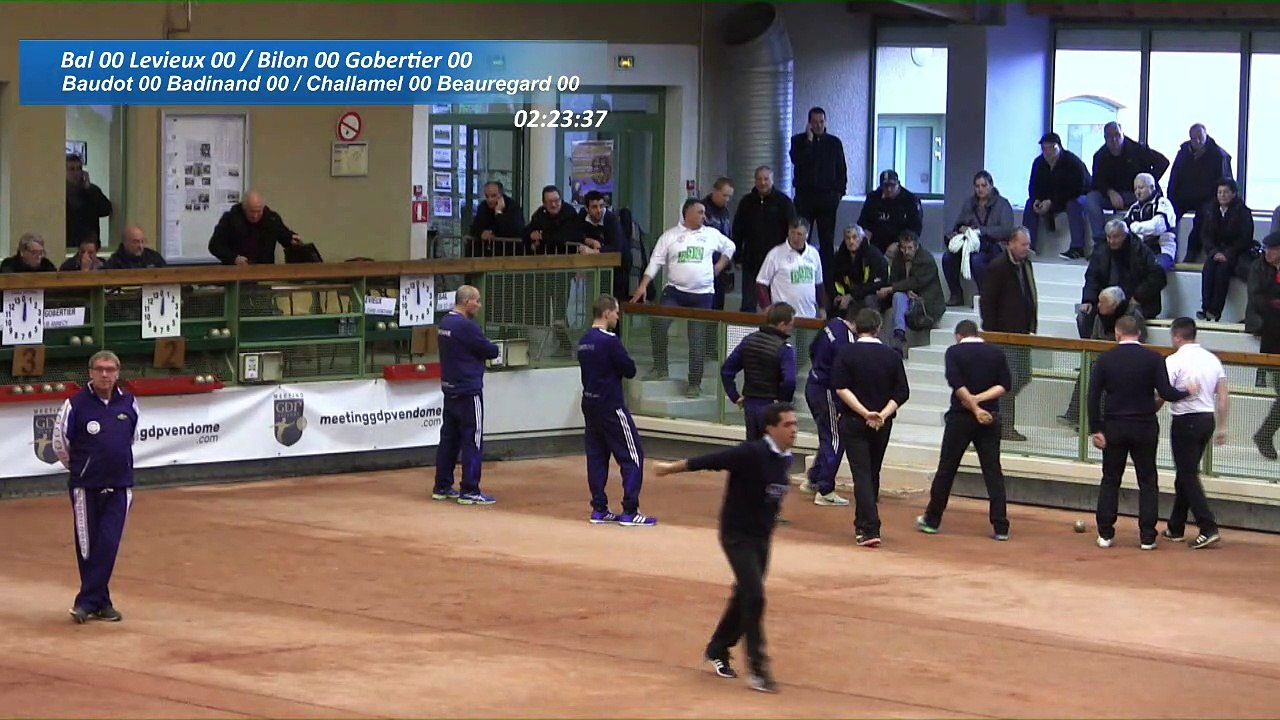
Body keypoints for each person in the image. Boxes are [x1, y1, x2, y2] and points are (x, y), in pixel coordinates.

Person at [653, 402, 799, 694]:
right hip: (737, 536)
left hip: (761, 538)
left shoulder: (784, 459)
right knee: (755, 596)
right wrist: (670, 469)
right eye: (787, 425)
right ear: (770, 428)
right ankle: (758, 669)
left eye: (795, 424)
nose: (794, 430)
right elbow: (710, 460)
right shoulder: (751, 452)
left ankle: (718, 648)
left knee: (744, 594)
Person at [1088, 314, 1193, 550]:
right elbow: (1166, 392)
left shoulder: (1106, 359)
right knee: (1147, 480)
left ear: (1117, 332)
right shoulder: (1153, 359)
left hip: (1114, 426)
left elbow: (1093, 397)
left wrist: (1096, 428)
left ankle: (1105, 533)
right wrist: (1187, 391)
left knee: (1110, 479)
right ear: (1140, 333)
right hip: (1144, 426)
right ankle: (1147, 536)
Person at [51, 350, 138, 623]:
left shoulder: (129, 403)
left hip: (120, 485)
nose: (105, 374)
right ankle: (100, 602)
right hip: (85, 487)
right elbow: (60, 444)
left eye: (110, 369)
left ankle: (88, 601)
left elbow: (131, 438)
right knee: (88, 547)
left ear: (118, 373)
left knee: (109, 544)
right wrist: (80, 468)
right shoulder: (75, 405)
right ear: (90, 372)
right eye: (100, 369)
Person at [915, 320, 1011, 540]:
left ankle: (932, 519)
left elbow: (957, 384)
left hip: (961, 417)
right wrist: (980, 404)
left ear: (958, 336)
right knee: (993, 471)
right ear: (977, 333)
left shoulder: (954, 352)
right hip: (990, 417)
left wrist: (973, 405)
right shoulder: (996, 352)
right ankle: (1001, 526)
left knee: (947, 468)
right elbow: (1004, 385)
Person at [631, 199, 736, 398]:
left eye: (704, 212)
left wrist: (719, 267)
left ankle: (694, 383)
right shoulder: (670, 236)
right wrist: (643, 285)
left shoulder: (711, 234)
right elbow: (655, 262)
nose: (703, 216)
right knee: (659, 325)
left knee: (697, 340)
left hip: (703, 294)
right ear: (687, 213)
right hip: (675, 292)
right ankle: (661, 367)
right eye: (699, 212)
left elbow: (730, 247)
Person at [830, 308, 910, 547]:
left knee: (862, 473)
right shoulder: (892, 356)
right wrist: (881, 415)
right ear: (878, 327)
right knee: (872, 471)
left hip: (854, 420)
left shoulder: (846, 353)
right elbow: (902, 392)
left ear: (855, 327)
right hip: (881, 424)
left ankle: (869, 527)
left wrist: (864, 412)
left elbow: (840, 387)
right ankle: (864, 524)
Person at [577, 295, 655, 527]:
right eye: (616, 312)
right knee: (633, 455)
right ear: (607, 312)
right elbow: (629, 369)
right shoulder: (610, 341)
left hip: (589, 402)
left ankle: (599, 509)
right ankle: (630, 510)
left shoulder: (583, 341)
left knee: (596, 456)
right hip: (611, 403)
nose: (618, 317)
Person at [433, 285, 501, 505]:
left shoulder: (445, 323)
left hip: (449, 389)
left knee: (448, 440)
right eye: (477, 301)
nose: (479, 305)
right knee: (473, 439)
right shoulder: (466, 326)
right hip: (468, 390)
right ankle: (470, 489)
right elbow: (491, 350)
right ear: (467, 301)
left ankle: (442, 486)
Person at [1162, 317, 1225, 549]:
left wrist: (1150, 410)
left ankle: (1207, 526)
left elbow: (1163, 392)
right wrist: (1223, 425)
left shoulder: (1174, 360)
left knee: (1187, 474)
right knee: (1186, 472)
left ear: (1177, 336)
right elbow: (1223, 394)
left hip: (1185, 420)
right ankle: (1175, 526)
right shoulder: (1212, 359)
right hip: (1206, 420)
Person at [978, 227, 1037, 442]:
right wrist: (993, 334)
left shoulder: (1026, 264)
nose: (1026, 248)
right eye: (1023, 244)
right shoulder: (998, 267)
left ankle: (992, 410)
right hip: (1004, 336)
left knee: (1023, 377)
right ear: (1011, 243)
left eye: (1028, 244)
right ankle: (1004, 426)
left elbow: (1030, 295)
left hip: (1023, 334)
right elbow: (987, 301)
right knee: (1009, 380)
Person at [1085, 122, 1170, 257]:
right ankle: (1100, 243)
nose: (1114, 140)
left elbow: (1163, 161)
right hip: (1112, 194)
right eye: (1110, 137)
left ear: (1122, 134)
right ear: (1105, 138)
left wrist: (1147, 182)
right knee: (1090, 199)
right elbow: (1097, 182)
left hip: (1135, 194)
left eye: (1117, 135)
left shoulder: (1137, 149)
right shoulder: (1100, 155)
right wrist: (1110, 192)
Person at [798, 306, 854, 507]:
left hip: (814, 383)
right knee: (836, 437)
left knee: (828, 435)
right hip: (826, 391)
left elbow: (812, 349)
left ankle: (814, 478)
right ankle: (825, 489)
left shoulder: (831, 324)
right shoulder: (845, 341)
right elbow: (843, 371)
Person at [790, 106, 847, 296]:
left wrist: (838, 194)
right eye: (814, 122)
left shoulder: (834, 143)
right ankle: (800, 278)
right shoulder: (798, 141)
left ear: (825, 122)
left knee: (827, 242)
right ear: (809, 123)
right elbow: (799, 161)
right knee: (801, 237)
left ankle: (827, 287)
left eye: (821, 122)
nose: (818, 125)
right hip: (805, 198)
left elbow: (841, 171)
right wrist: (809, 141)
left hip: (827, 200)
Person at [721, 303, 797, 441]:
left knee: (753, 449)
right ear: (782, 324)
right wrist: (783, 403)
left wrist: (735, 396)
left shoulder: (748, 340)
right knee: (772, 449)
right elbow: (789, 381)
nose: (791, 328)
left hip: (750, 402)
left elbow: (726, 370)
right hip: (772, 405)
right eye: (790, 324)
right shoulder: (785, 349)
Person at [942, 170, 1014, 307]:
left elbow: (1006, 230)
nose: (980, 189)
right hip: (971, 244)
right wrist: (961, 229)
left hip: (994, 246)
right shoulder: (969, 203)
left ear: (991, 186)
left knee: (976, 260)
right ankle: (956, 294)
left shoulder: (1003, 204)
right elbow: (959, 223)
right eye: (977, 186)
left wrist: (981, 231)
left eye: (983, 185)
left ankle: (984, 296)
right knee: (948, 258)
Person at [732, 166, 796, 313]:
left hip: (777, 262)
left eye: (766, 179)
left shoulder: (784, 202)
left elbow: (793, 230)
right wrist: (738, 257)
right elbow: (737, 231)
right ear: (754, 181)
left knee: (776, 306)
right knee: (748, 305)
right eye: (759, 179)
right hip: (751, 262)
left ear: (772, 180)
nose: (763, 182)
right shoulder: (746, 202)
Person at [1167, 124, 1234, 263]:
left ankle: (1191, 254)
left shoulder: (1218, 155)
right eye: (1193, 138)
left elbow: (1224, 182)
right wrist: (1169, 201)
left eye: (1200, 138)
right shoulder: (1183, 153)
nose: (1197, 141)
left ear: (1206, 136)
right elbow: (1174, 177)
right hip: (1184, 197)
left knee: (1201, 220)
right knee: (1167, 217)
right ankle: (1166, 252)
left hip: (1208, 198)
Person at [876, 230, 945, 356]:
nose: (906, 252)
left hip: (927, 302)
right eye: (903, 248)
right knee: (897, 297)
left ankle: (898, 336)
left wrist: (893, 289)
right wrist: (905, 290)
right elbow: (894, 280)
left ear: (916, 246)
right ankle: (899, 335)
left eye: (910, 248)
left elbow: (918, 282)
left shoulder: (926, 259)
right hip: (908, 297)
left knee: (896, 295)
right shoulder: (899, 258)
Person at [1022, 132, 1090, 258]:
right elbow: (1033, 185)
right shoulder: (1039, 163)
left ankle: (1077, 247)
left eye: (1051, 148)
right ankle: (1027, 245)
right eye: (1044, 149)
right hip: (1050, 199)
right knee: (1029, 204)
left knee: (1074, 204)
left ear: (1058, 147)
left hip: (1075, 196)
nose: (1047, 152)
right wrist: (1036, 199)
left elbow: (1076, 189)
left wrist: (1052, 202)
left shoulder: (1073, 162)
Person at [1197, 179, 1254, 322]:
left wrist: (1228, 253)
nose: (1222, 195)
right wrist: (1214, 252)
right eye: (1219, 192)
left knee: (1223, 271)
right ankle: (1205, 308)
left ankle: (1215, 311)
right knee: (1208, 268)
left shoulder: (1243, 212)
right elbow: (1205, 235)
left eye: (1226, 192)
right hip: (1216, 251)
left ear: (1233, 194)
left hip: (1235, 252)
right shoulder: (1210, 210)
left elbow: (1245, 238)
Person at [1248, 232, 1280, 460]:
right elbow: (1256, 298)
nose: (1267, 253)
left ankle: (1264, 434)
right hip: (1271, 333)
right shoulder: (1258, 267)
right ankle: (1264, 435)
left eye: (1272, 249)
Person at [208, 190, 302, 265]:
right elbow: (215, 246)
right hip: (236, 274)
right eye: (252, 212)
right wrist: (234, 258)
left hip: (263, 273)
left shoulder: (271, 219)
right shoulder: (230, 219)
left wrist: (292, 239)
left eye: (259, 211)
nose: (255, 216)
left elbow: (284, 235)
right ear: (244, 208)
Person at [755, 218, 825, 319]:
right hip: (783, 319)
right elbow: (761, 283)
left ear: (807, 235)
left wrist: (822, 308)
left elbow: (819, 284)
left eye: (799, 234)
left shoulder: (814, 254)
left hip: (809, 316)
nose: (795, 238)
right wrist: (766, 308)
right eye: (792, 233)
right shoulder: (775, 254)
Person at [857, 169, 923, 256]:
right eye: (885, 186)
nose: (889, 189)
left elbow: (915, 228)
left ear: (898, 184)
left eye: (892, 185)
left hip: (900, 242)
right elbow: (862, 221)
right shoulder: (873, 198)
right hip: (875, 241)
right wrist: (864, 232)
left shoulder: (910, 200)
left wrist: (899, 243)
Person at [827, 225, 887, 318]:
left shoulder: (873, 254)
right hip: (849, 294)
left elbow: (877, 283)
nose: (851, 241)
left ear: (861, 238)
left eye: (854, 237)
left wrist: (852, 296)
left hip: (872, 294)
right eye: (848, 238)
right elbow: (834, 278)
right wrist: (836, 295)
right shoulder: (840, 256)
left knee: (868, 300)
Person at [578, 191, 629, 300]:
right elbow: (574, 233)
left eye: (601, 206)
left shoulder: (611, 220)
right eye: (594, 207)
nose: (599, 210)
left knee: (614, 304)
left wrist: (594, 252)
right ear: (587, 209)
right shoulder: (582, 216)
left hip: (619, 269)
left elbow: (617, 246)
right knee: (596, 302)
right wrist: (588, 240)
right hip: (597, 270)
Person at [1122, 173, 1178, 271]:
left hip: (1162, 251)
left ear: (1152, 187)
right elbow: (1124, 229)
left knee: (1154, 270)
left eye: (1141, 187)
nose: (1137, 192)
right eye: (1135, 189)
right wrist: (1142, 234)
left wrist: (1135, 227)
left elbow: (1156, 227)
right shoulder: (1134, 208)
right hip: (1141, 251)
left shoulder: (1163, 203)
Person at [65, 153, 112, 252]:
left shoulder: (92, 190)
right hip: (68, 245)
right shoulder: (60, 193)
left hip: (91, 245)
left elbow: (106, 210)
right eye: (71, 169)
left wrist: (89, 189)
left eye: (79, 168)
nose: (76, 172)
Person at [468, 181, 525, 257]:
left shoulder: (513, 208)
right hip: (486, 254)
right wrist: (481, 233)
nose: (490, 200)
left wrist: (498, 213)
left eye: (493, 196)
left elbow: (514, 231)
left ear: (501, 195)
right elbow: (474, 227)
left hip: (508, 255)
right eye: (487, 196)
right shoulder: (483, 206)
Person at [703, 178, 735, 311]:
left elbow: (728, 237)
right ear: (715, 191)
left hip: (722, 266)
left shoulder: (725, 212)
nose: (727, 199)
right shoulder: (702, 209)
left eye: (729, 196)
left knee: (718, 307)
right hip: (706, 265)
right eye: (724, 195)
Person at [522, 184, 582, 255]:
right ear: (544, 203)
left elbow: (565, 236)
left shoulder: (569, 212)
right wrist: (531, 235)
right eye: (550, 202)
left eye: (556, 201)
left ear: (561, 200)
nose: (553, 205)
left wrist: (543, 236)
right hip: (543, 258)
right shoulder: (540, 213)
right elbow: (528, 230)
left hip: (566, 257)